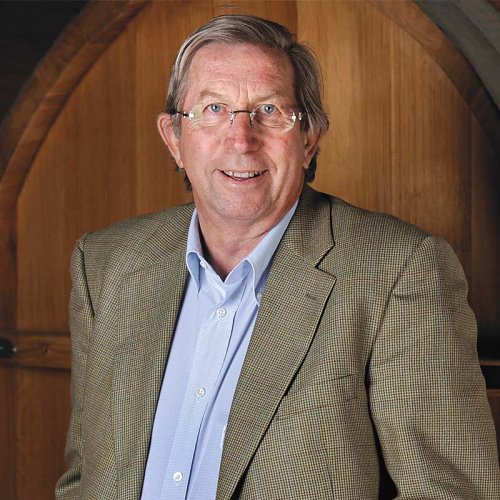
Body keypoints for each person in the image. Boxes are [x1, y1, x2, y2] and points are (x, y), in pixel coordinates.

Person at [56, 14, 499, 500]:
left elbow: (450, 492)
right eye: (213, 108)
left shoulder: (399, 269)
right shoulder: (104, 264)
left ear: (309, 140)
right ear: (174, 139)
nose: (241, 139)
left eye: (269, 111)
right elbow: (84, 478)